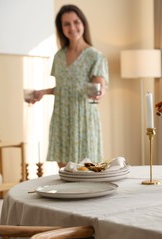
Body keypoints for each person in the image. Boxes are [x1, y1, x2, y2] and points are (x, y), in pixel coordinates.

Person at [31, 4, 109, 168]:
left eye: (76, 22)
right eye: (66, 24)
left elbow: (99, 87)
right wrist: (43, 92)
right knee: (65, 173)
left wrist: (98, 93)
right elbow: (63, 88)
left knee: (87, 171)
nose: (72, 27)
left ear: (83, 24)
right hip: (62, 119)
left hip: (83, 120)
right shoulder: (59, 56)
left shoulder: (95, 56)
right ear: (61, 28)